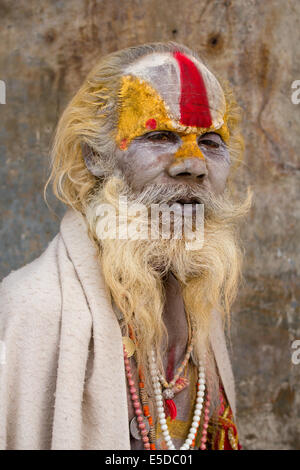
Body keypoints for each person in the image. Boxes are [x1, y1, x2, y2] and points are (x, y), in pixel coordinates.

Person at [0, 42, 251, 450]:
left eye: (210, 141)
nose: (192, 163)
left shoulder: (200, 309)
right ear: (97, 157)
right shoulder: (29, 310)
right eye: (160, 135)